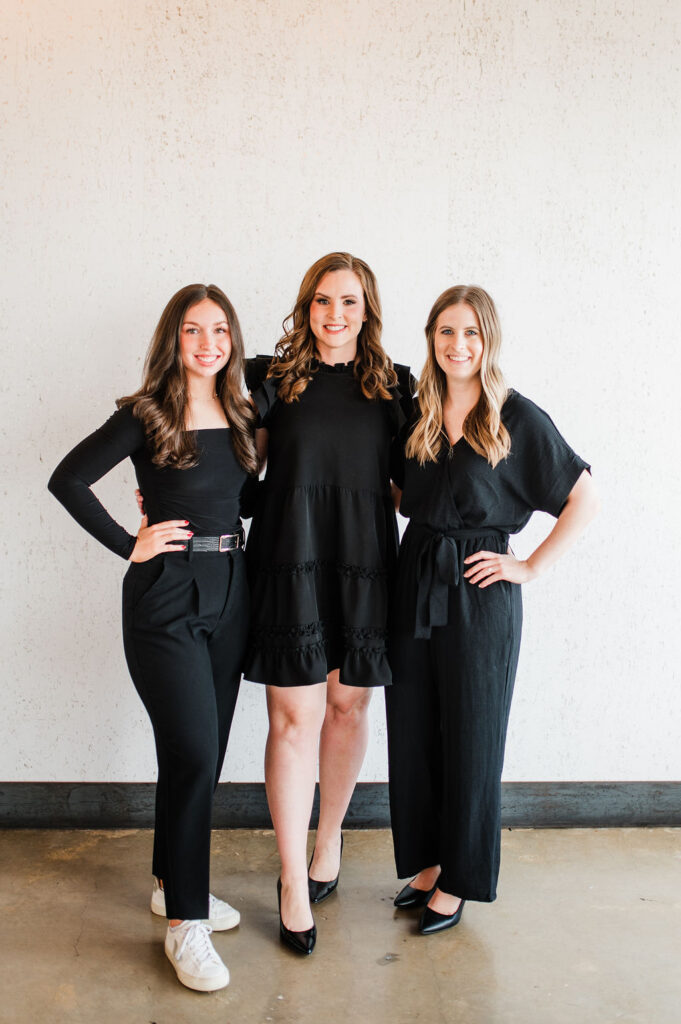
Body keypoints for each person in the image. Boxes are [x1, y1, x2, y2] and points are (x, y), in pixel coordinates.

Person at [48, 284, 258, 990]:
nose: (208, 343)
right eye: (193, 330)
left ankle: (172, 883)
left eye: (220, 330)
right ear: (173, 340)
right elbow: (68, 479)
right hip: (165, 596)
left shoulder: (241, 408)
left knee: (199, 752)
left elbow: (243, 496)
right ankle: (185, 927)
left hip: (233, 589)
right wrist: (128, 542)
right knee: (195, 753)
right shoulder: (145, 414)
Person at [385, 285, 599, 935]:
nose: (457, 345)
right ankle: (424, 863)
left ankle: (460, 878)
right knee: (414, 728)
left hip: (482, 590)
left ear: (488, 341)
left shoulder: (516, 417)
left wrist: (528, 565)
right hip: (416, 575)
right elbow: (402, 495)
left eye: (470, 333)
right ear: (430, 338)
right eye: (446, 332)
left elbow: (582, 497)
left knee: (473, 734)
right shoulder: (415, 412)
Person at [244, 252, 414, 954]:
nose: (333, 315)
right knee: (291, 723)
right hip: (289, 563)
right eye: (320, 301)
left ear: (366, 309)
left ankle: (328, 841)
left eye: (347, 302)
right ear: (304, 306)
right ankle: (291, 881)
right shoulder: (269, 379)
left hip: (365, 566)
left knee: (347, 707)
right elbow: (237, 466)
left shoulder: (396, 387)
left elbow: (413, 486)